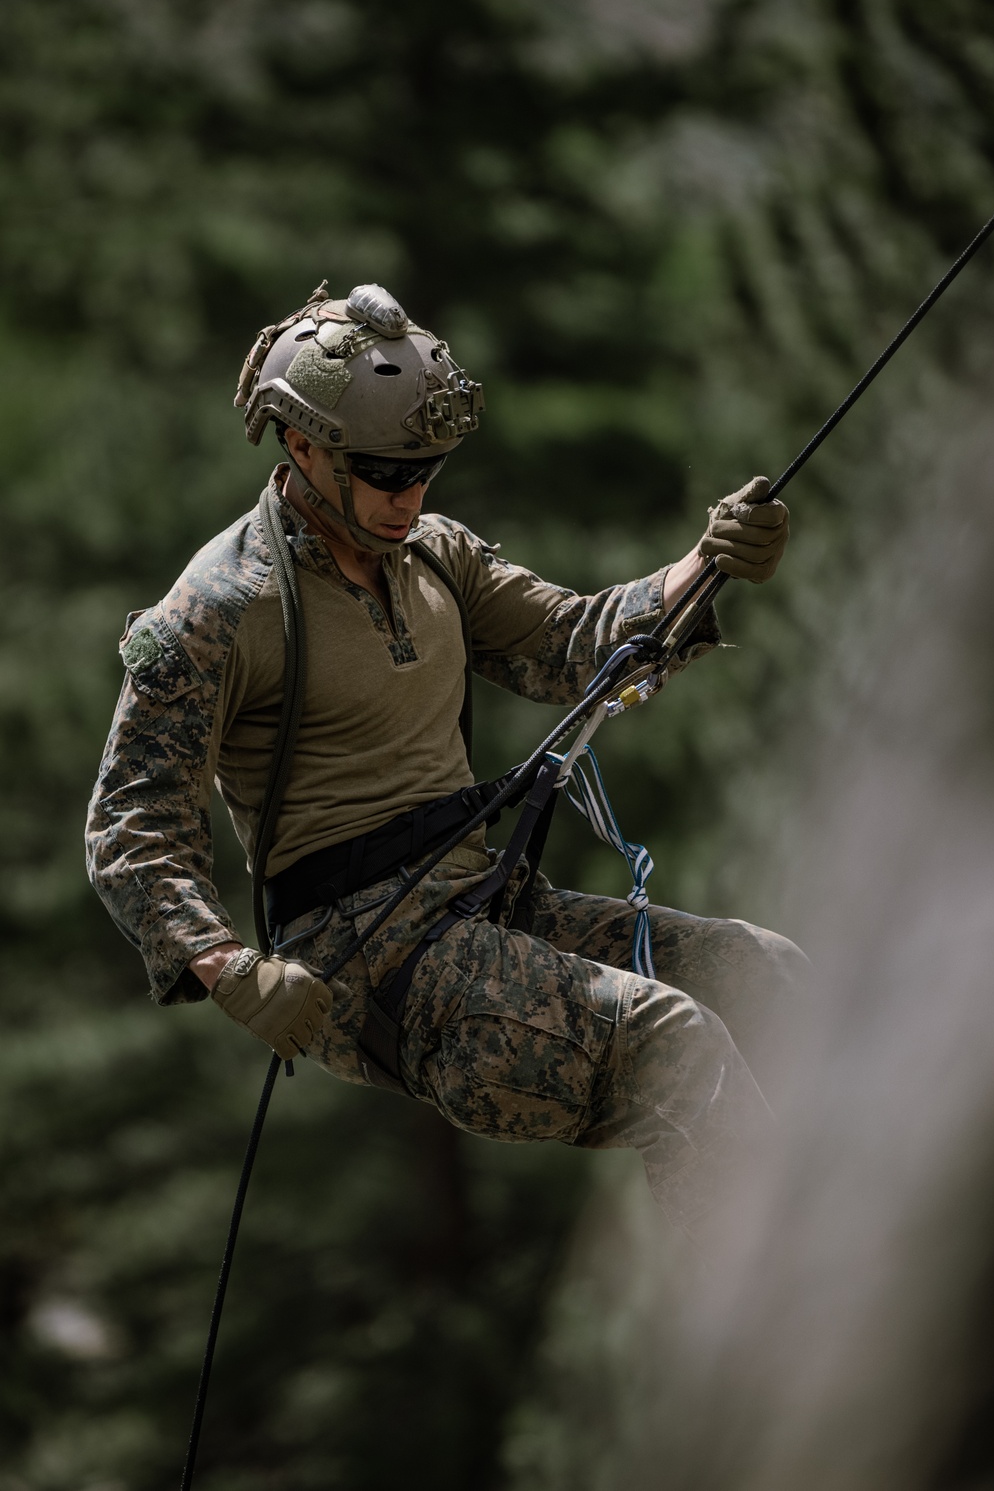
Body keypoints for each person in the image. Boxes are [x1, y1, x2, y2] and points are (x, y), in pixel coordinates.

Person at [86, 281, 805, 1239]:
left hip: (488, 900)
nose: (409, 495)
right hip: (373, 961)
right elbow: (129, 822)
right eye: (385, 470)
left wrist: (708, 562)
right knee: (675, 1046)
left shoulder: (435, 558)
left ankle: (875, 1252)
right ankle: (764, 1343)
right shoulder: (223, 606)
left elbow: (574, 642)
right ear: (302, 446)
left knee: (768, 976)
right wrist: (230, 969)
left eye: (425, 469)